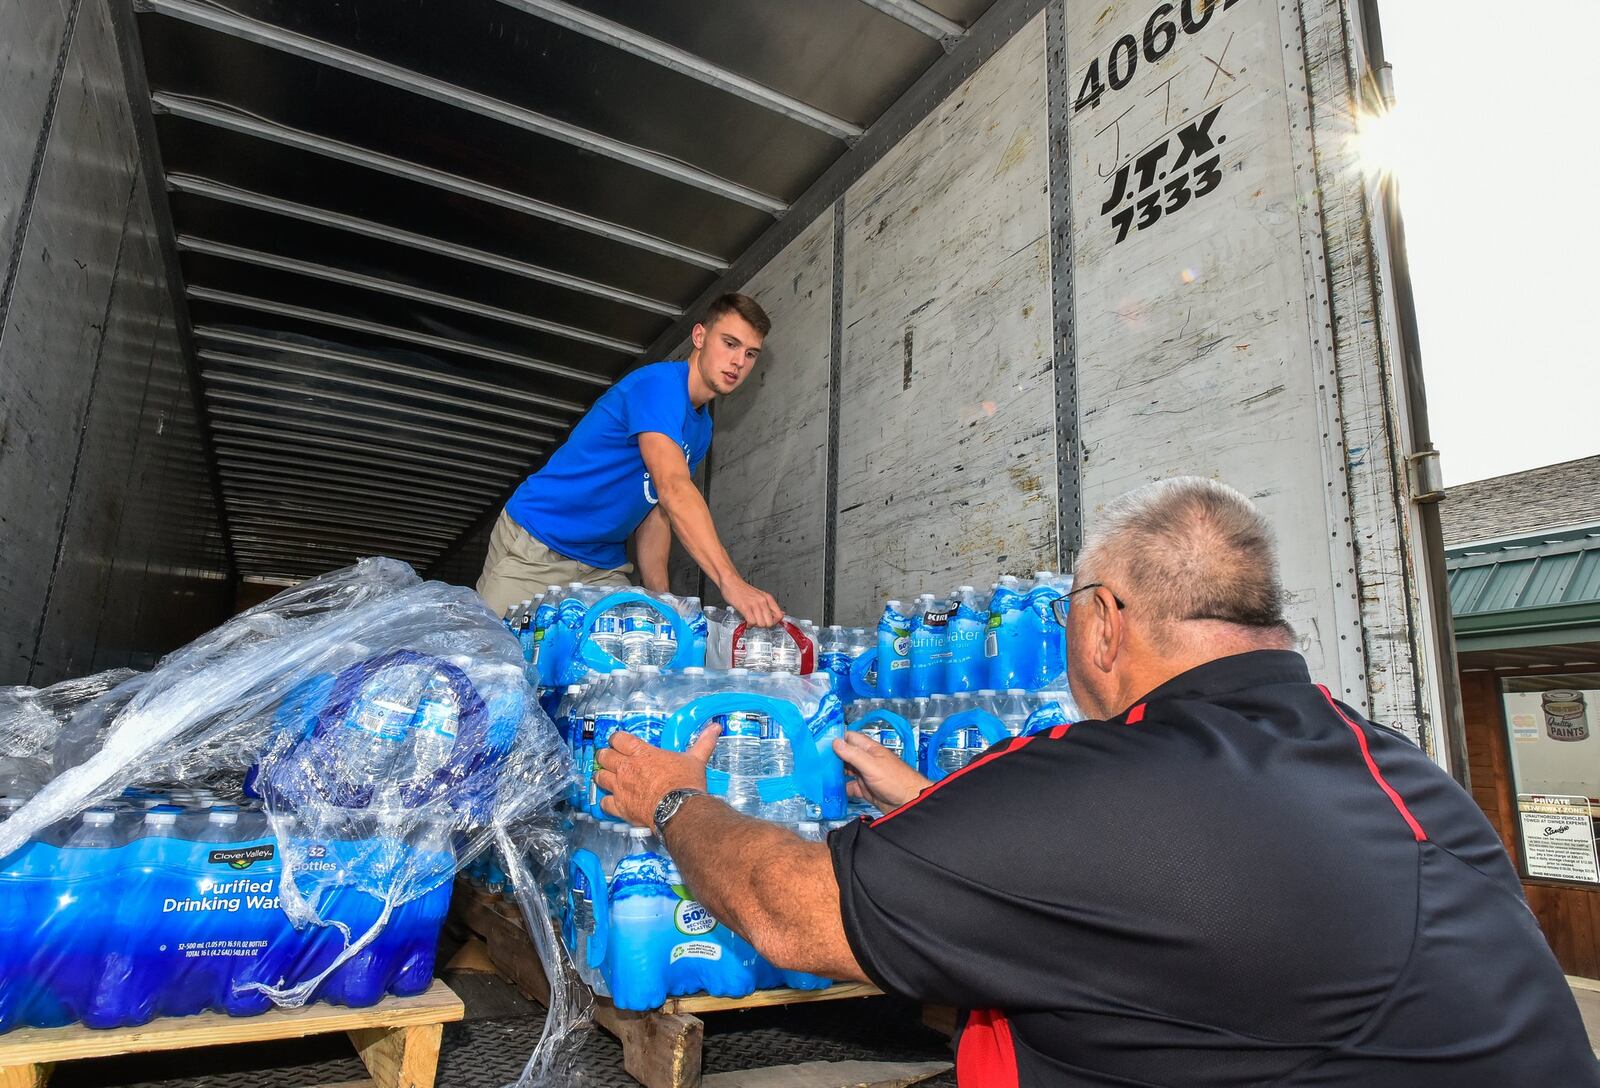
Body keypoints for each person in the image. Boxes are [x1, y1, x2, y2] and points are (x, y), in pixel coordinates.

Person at [595, 477, 1600, 1087]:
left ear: (1106, 620)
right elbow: (1177, 874)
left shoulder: (1107, 780)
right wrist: (917, 795)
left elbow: (787, 909)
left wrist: (671, 796)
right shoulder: (1396, 766)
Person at [476, 293, 784, 626]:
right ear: (699, 336)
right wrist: (730, 581)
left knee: (639, 654)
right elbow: (673, 489)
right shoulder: (659, 387)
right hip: (537, 546)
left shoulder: (701, 427)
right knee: (492, 661)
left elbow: (655, 510)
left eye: (750, 353)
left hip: (601, 566)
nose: (739, 361)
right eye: (730, 343)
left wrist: (662, 598)